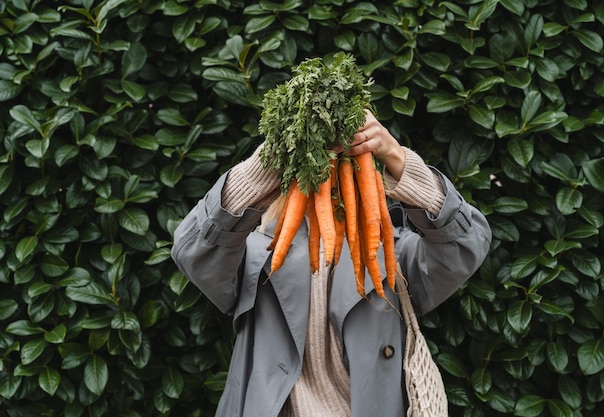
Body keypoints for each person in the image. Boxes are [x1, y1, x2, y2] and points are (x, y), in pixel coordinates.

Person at [171, 110, 492, 417]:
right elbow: (192, 250)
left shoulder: (393, 252)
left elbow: (465, 244)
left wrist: (396, 157)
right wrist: (259, 170)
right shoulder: (255, 250)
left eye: (349, 159)